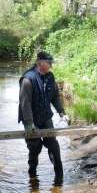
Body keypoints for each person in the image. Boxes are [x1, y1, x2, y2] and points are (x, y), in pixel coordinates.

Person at [18, 51, 67, 183]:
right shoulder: (28, 79)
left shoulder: (50, 77)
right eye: (49, 63)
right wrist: (28, 123)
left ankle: (59, 177)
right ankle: (32, 176)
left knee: (54, 146)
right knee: (35, 148)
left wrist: (61, 112)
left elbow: (55, 96)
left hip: (45, 117)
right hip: (31, 119)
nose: (51, 66)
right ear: (40, 63)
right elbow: (25, 103)